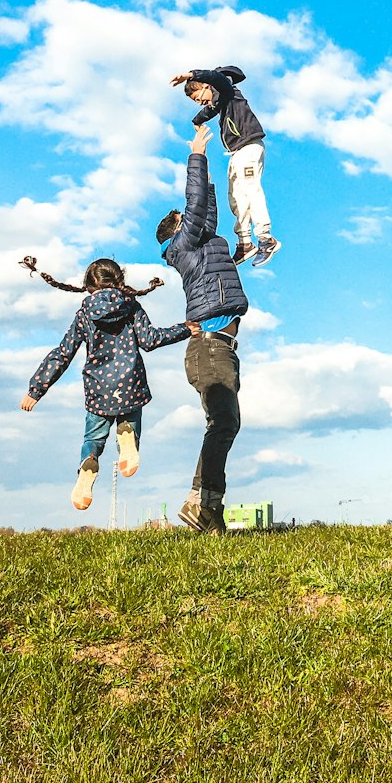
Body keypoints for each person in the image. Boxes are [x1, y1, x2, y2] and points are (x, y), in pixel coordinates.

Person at [18, 255, 193, 511]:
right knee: (129, 428)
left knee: (93, 438)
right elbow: (150, 340)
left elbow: (63, 353)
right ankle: (128, 438)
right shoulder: (130, 306)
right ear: (119, 281)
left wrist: (36, 390)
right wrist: (185, 328)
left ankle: (89, 461)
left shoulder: (84, 314)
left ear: (89, 285)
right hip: (130, 383)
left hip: (98, 388)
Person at [155, 123, 249, 534]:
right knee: (224, 423)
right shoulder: (184, 246)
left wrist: (210, 180)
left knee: (225, 423)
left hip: (217, 346)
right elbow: (195, 208)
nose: (194, 218)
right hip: (209, 346)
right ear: (178, 231)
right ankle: (201, 502)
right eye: (186, 219)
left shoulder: (199, 242)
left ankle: (209, 514)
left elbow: (203, 209)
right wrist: (197, 155)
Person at [169, 65, 281, 268]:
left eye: (197, 97)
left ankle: (266, 239)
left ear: (206, 85)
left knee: (250, 189)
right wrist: (197, 120)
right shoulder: (220, 102)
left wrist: (190, 75)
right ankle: (245, 243)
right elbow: (208, 111)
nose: (199, 102)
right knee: (236, 197)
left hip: (249, 147)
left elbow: (216, 78)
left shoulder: (227, 89)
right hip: (237, 152)